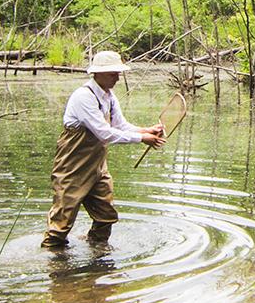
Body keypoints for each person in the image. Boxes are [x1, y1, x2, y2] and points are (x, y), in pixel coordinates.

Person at [42, 49, 164, 250]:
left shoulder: (109, 95)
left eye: (118, 72)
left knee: (106, 217)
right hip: (72, 168)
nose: (117, 77)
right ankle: (54, 265)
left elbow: (120, 126)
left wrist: (146, 130)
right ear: (96, 74)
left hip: (97, 167)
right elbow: (104, 133)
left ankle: (96, 254)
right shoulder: (83, 96)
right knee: (60, 225)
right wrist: (142, 138)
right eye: (112, 73)